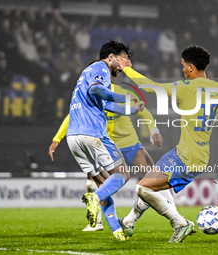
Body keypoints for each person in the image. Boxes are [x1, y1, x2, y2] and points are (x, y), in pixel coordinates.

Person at [116, 45, 218, 243]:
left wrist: (126, 68)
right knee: (150, 184)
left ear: (192, 68)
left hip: (187, 157)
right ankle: (128, 223)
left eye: (183, 66)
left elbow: (150, 87)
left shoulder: (185, 88)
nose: (182, 70)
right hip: (188, 153)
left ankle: (181, 224)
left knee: (143, 188)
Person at [49, 83, 166, 232]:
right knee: (93, 182)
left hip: (128, 144)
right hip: (105, 145)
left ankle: (173, 216)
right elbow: (72, 115)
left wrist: (154, 130)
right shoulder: (90, 95)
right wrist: (57, 139)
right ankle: (98, 222)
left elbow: (144, 112)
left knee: (153, 177)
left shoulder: (121, 92)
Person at [65, 40, 144, 241]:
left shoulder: (88, 72)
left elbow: (104, 105)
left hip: (74, 137)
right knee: (123, 175)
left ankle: (116, 230)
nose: (128, 64)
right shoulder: (100, 67)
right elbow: (96, 90)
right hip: (94, 134)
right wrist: (123, 97)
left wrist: (130, 109)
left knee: (103, 183)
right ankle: (94, 198)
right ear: (111, 57)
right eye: (125, 59)